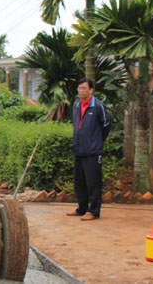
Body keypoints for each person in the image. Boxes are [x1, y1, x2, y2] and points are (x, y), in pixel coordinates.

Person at [67, 77, 111, 221]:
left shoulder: (98, 106)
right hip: (79, 150)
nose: (81, 91)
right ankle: (82, 208)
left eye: (84, 88)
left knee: (93, 182)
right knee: (79, 182)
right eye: (79, 88)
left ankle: (94, 211)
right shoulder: (76, 105)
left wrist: (96, 141)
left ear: (91, 90)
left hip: (93, 151)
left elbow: (106, 126)